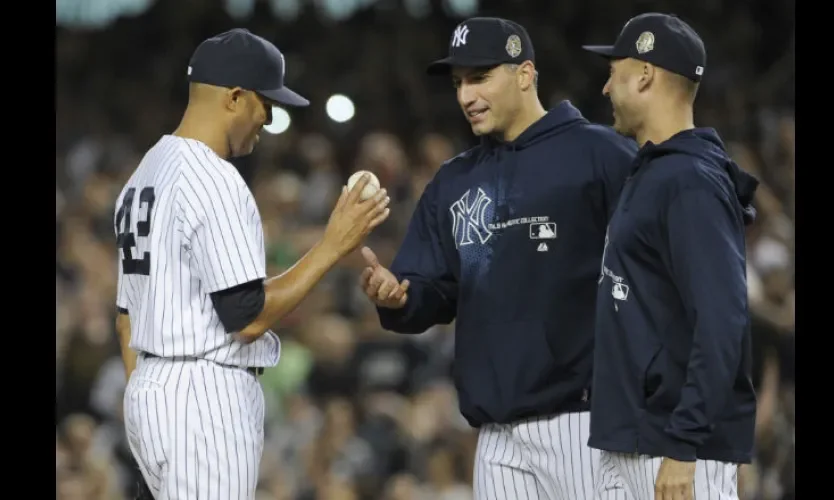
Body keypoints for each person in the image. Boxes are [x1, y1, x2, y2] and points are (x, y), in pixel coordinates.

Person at [358, 17, 638, 500]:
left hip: (586, 424)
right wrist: (397, 294)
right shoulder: (455, 181)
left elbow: (654, 265)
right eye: (459, 83)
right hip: (495, 437)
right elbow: (429, 288)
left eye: (480, 77)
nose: (466, 96)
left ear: (525, 74)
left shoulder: (601, 155)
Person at [113, 28, 390, 499]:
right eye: (266, 104)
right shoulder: (214, 177)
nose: (268, 119)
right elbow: (247, 315)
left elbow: (126, 322)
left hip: (151, 391)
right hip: (203, 399)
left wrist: (152, 409)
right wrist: (332, 245)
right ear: (235, 97)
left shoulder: (145, 172)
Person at [581, 13, 759, 500]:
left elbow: (722, 320)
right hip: (638, 440)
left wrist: (684, 444)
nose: (605, 88)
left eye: (614, 72)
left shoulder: (690, 180)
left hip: (674, 449)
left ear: (644, 76)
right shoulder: (656, 173)